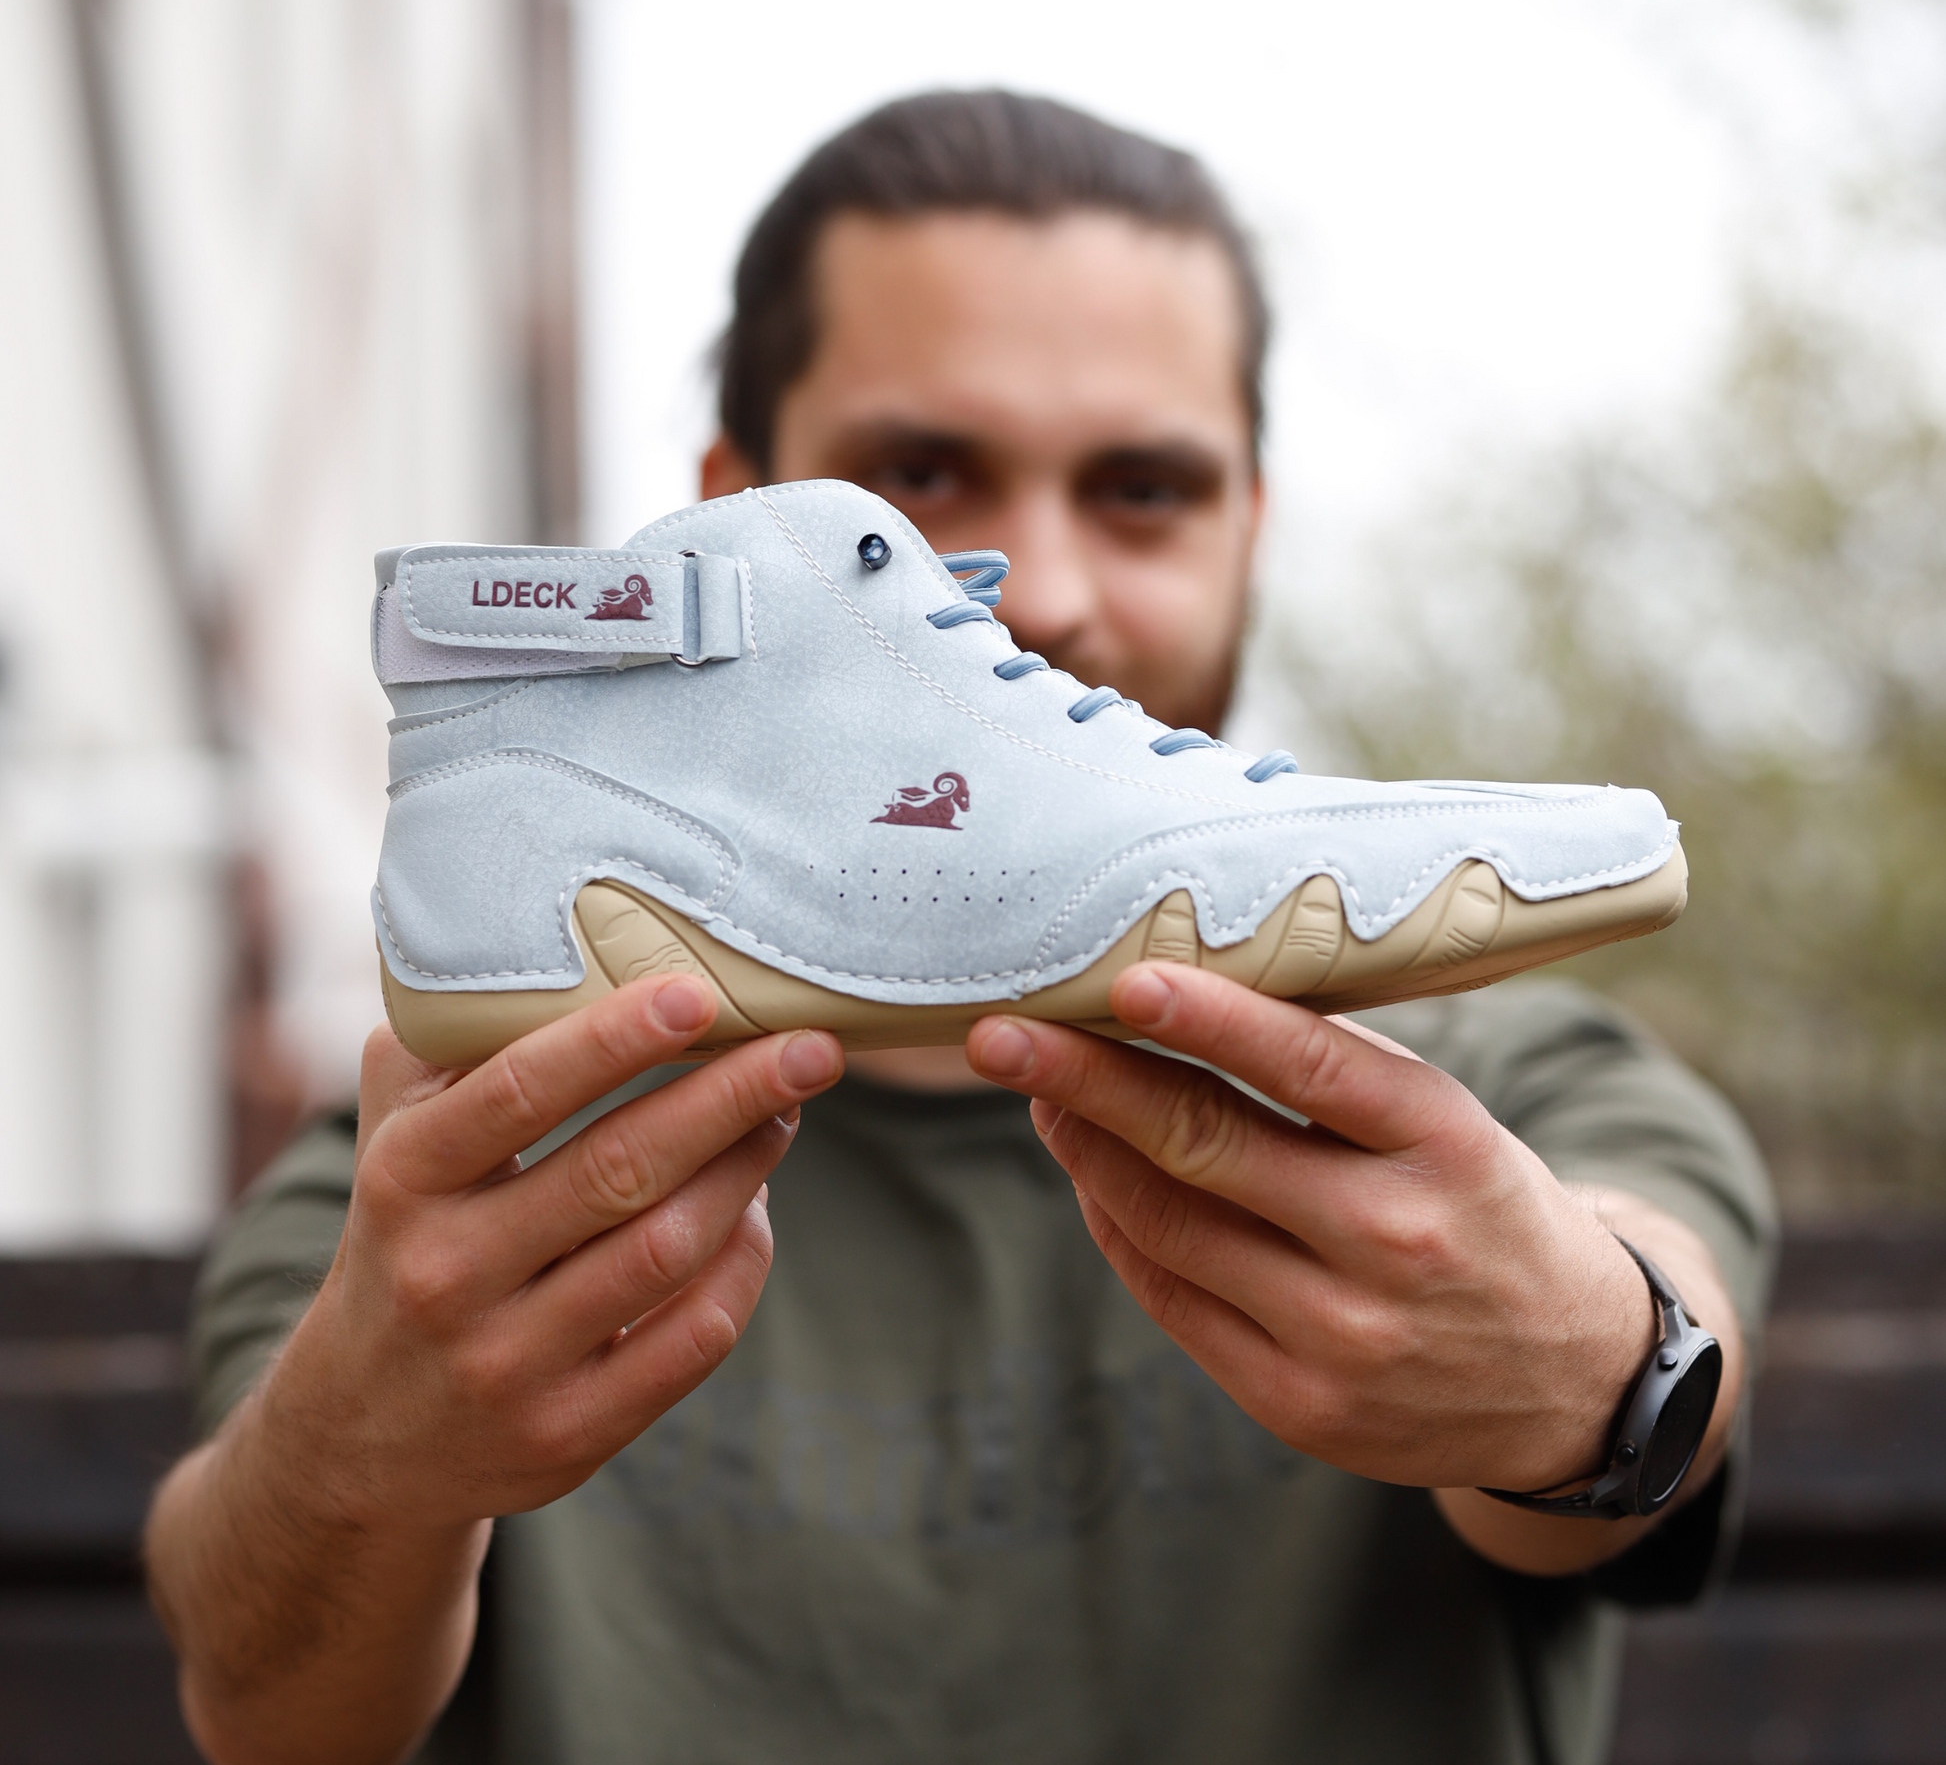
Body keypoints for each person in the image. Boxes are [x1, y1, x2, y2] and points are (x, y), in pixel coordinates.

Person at [146, 91, 1776, 1765]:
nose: (1046, 587)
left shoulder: (1510, 1069)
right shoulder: (464, 1169)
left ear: (1251, 527)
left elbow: (1665, 1305)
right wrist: (350, 1456)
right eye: (918, 483)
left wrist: (1600, 1367)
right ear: (727, 520)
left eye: (1142, 488)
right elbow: (268, 1710)